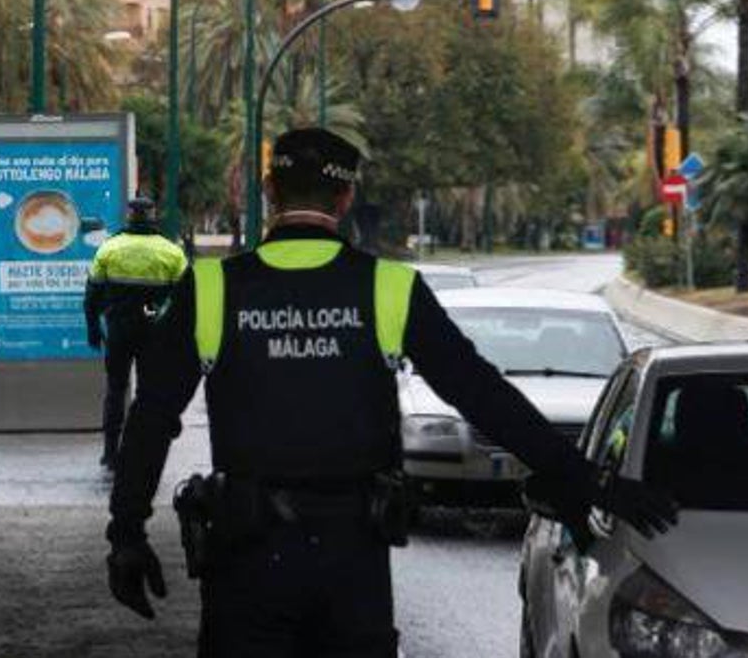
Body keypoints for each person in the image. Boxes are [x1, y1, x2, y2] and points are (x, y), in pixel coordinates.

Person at [105, 128, 675, 657]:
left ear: (269, 192)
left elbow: (152, 416)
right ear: (346, 199)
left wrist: (127, 531)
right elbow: (481, 395)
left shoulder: (210, 287)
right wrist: (589, 480)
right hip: (351, 561)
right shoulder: (388, 286)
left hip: (245, 561)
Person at [84, 197, 187, 470]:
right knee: (148, 394)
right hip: (156, 334)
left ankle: (110, 453)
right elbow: (185, 299)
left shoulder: (109, 248)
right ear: (153, 217)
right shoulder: (171, 252)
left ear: (129, 217)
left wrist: (93, 330)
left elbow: (91, 294)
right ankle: (144, 453)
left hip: (118, 332)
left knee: (116, 389)